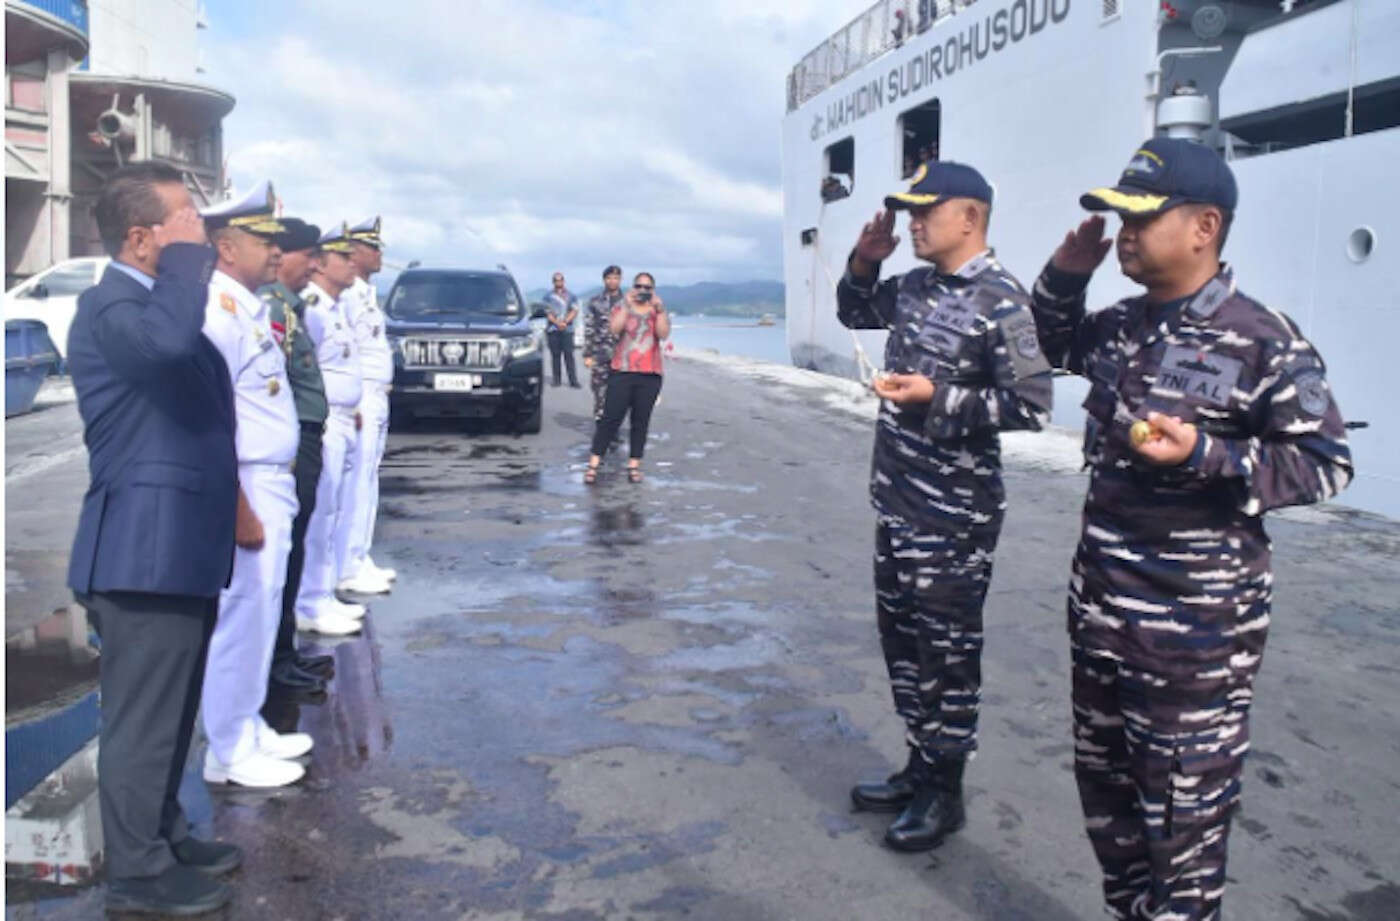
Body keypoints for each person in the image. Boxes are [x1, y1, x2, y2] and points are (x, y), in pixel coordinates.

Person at [1029, 137, 1353, 920]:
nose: (1125, 233)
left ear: (1205, 226)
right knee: (1109, 806)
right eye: (1119, 217)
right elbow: (1046, 341)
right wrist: (1067, 273)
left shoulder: (1263, 338)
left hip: (1195, 639)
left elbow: (1325, 462)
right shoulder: (1119, 325)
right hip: (1103, 618)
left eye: (1141, 217)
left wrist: (1208, 454)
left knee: (1183, 830)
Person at [838, 161, 1053, 851]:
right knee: (903, 644)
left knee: (948, 653)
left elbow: (1032, 404)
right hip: (897, 498)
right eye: (908, 212)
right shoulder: (912, 286)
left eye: (925, 210)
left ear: (970, 216)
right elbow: (853, 308)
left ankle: (945, 792)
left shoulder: (1003, 300)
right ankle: (919, 763)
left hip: (954, 515)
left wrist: (939, 397)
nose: (912, 222)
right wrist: (864, 262)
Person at [65, 162, 240, 915]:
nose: (201, 235)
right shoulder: (112, 308)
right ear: (141, 240)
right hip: (141, 552)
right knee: (140, 723)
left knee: (172, 713)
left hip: (176, 546)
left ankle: (162, 835)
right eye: (184, 223)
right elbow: (170, 345)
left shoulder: (147, 303)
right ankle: (136, 876)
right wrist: (191, 263)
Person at [199, 181, 313, 789]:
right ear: (224, 245)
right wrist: (239, 505)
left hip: (271, 480)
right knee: (242, 616)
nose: (276, 251)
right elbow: (209, 422)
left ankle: (247, 725)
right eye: (263, 239)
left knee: (264, 611)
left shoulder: (245, 305)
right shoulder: (217, 312)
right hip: (247, 483)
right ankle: (227, 748)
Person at [258, 217, 336, 703]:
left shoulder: (289, 308)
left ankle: (284, 653)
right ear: (282, 255)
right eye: (308, 255)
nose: (315, 264)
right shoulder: (271, 308)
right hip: (285, 449)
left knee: (295, 550)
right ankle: (276, 663)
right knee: (279, 561)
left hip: (303, 439)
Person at [293, 223, 366, 636]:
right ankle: (310, 601)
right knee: (320, 514)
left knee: (335, 507)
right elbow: (309, 370)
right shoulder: (313, 308)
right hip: (324, 421)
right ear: (321, 263)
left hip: (342, 415)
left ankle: (322, 594)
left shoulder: (335, 305)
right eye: (344, 256)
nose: (351, 262)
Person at [337, 216, 397, 595]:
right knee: (355, 482)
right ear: (354, 253)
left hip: (377, 395)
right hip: (360, 397)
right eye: (372, 247)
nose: (379, 254)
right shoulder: (347, 294)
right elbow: (347, 352)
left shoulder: (366, 294)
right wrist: (356, 399)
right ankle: (346, 564)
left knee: (368, 477)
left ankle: (359, 554)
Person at [583, 272, 671, 485]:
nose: (643, 291)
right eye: (639, 286)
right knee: (610, 419)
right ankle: (593, 463)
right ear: (633, 287)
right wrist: (626, 304)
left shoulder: (657, 309)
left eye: (647, 287)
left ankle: (634, 465)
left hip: (650, 373)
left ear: (653, 290)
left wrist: (660, 310)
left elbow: (663, 334)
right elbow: (615, 329)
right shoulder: (622, 306)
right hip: (622, 370)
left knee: (640, 421)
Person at [583, 265, 624, 422]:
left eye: (616, 278)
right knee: (599, 390)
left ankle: (614, 427)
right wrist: (587, 354)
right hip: (600, 353)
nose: (612, 281)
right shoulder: (595, 302)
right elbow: (589, 329)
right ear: (604, 280)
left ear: (620, 280)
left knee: (619, 393)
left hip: (622, 355)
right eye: (609, 278)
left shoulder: (627, 302)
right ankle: (601, 425)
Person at [544, 271, 580, 387]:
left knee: (569, 355)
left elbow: (574, 310)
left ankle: (573, 380)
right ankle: (556, 380)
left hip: (567, 329)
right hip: (552, 330)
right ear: (553, 282)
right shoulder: (548, 296)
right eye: (556, 280)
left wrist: (564, 322)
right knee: (555, 356)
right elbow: (547, 312)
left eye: (560, 280)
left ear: (563, 281)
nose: (558, 282)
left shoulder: (571, 296)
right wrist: (557, 323)